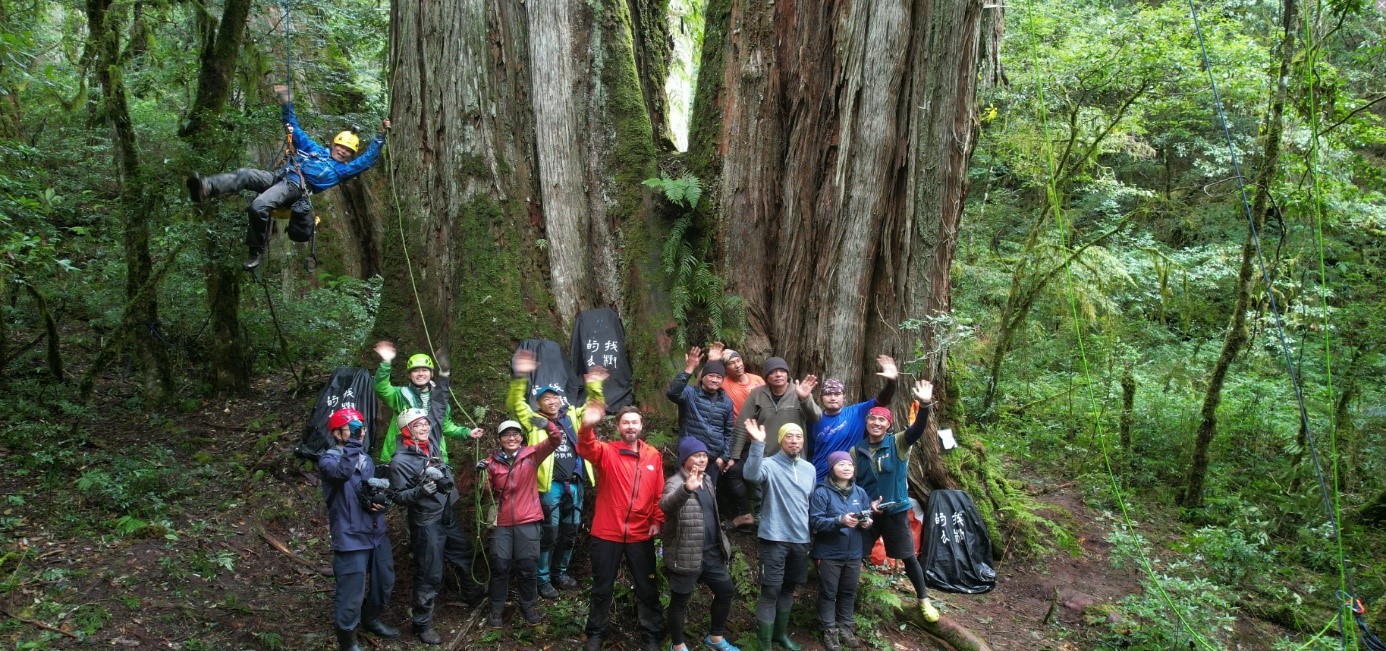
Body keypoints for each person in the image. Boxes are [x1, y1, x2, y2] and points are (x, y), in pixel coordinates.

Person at [186, 85, 390, 270]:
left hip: (295, 189)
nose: (343, 151)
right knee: (245, 174)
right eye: (341, 146)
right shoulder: (315, 150)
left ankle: (255, 252)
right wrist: (287, 101)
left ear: (350, 155)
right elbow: (293, 127)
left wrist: (380, 136)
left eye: (348, 151)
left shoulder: (341, 170)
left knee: (258, 205)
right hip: (279, 177)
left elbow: (367, 161)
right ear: (333, 144)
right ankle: (206, 187)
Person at [507, 349, 606, 598]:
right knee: (549, 533)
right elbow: (515, 404)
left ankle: (560, 572)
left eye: (554, 397)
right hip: (550, 484)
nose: (552, 401)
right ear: (538, 404)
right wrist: (520, 376)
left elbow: (594, 407)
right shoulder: (534, 420)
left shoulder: (572, 416)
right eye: (545, 399)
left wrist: (595, 386)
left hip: (575, 482)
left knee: (570, 531)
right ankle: (542, 579)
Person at [576, 402, 665, 651]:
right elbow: (586, 447)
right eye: (625, 422)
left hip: (641, 533)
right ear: (618, 427)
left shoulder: (653, 456)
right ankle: (595, 634)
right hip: (607, 532)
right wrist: (587, 426)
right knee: (602, 587)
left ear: (641, 425)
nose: (630, 426)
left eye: (634, 422)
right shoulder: (607, 451)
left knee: (647, 587)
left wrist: (657, 520)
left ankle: (651, 635)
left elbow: (658, 492)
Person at [388, 408, 482, 644]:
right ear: (407, 429)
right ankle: (422, 624)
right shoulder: (400, 462)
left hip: (446, 511)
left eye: (425, 424)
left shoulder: (431, 446)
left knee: (463, 553)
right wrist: (419, 492)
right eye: (418, 425)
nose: (424, 428)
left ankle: (472, 594)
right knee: (430, 572)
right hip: (425, 521)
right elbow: (397, 497)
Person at [854, 380, 940, 623]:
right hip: (868, 513)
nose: (876, 423)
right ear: (866, 422)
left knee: (908, 556)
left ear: (888, 425)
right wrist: (865, 506)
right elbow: (854, 485)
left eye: (881, 420)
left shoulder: (898, 443)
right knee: (855, 554)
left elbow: (917, 430)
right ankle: (853, 595)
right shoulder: (856, 450)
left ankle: (923, 600)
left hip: (895, 511)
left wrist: (925, 405)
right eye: (872, 419)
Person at [318, 408, 398, 651]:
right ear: (336, 433)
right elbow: (342, 473)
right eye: (352, 429)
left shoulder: (366, 460)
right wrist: (353, 444)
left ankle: (371, 619)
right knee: (351, 592)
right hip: (350, 536)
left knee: (384, 581)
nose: (360, 433)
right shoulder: (328, 460)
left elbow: (367, 492)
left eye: (361, 429)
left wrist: (378, 502)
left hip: (375, 533)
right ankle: (347, 640)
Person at [474, 419, 561, 628]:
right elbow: (486, 493)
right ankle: (496, 610)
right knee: (499, 565)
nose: (511, 438)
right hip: (502, 522)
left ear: (521, 437)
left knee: (527, 566)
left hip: (528, 519)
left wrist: (547, 424)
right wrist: (481, 474)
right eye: (506, 435)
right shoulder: (491, 462)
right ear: (499, 439)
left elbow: (556, 440)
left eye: (515, 434)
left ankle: (528, 607)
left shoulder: (532, 454)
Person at [659, 438, 741, 651]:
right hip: (686, 554)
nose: (702, 459)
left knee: (725, 591)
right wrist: (686, 489)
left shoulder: (708, 480)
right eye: (696, 455)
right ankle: (677, 646)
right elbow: (665, 506)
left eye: (704, 455)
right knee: (680, 602)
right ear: (685, 459)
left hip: (711, 553)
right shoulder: (675, 483)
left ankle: (715, 637)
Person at [742, 419, 817, 651]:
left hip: (801, 539)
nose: (794, 441)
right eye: (789, 436)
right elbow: (750, 475)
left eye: (798, 436)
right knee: (771, 591)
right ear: (781, 440)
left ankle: (780, 635)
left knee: (788, 589)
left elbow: (808, 502)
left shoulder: (809, 469)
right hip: (774, 538)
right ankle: (764, 645)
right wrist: (757, 444)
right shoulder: (769, 464)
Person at [726, 357, 819, 529]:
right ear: (766, 377)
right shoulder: (757, 394)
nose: (778, 375)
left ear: (787, 373)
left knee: (795, 495)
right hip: (767, 456)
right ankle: (765, 531)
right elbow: (742, 425)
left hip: (794, 457)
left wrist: (805, 399)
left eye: (781, 371)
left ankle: (795, 530)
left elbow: (815, 417)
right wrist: (734, 456)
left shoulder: (799, 391)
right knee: (764, 497)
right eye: (772, 372)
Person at [372, 341, 482, 464]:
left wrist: (467, 432)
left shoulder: (439, 399)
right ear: (409, 375)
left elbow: (445, 426)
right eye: (416, 371)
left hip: (433, 455)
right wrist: (386, 362)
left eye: (424, 370)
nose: (420, 374)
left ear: (431, 373)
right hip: (402, 455)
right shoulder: (400, 395)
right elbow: (380, 388)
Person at [810, 451, 877, 651]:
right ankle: (829, 630)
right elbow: (815, 521)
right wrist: (839, 521)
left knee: (848, 591)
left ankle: (845, 627)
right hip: (829, 552)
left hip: (853, 553)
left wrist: (866, 522)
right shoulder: (821, 492)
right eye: (841, 464)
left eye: (849, 465)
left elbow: (866, 515)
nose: (847, 468)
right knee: (829, 593)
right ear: (832, 468)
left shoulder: (860, 492)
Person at [810, 355, 899, 482]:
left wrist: (891, 383)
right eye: (828, 394)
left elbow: (882, 401)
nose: (833, 398)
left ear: (844, 397)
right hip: (820, 478)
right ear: (821, 397)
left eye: (837, 394)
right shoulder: (814, 418)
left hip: (849, 477)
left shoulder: (857, 412)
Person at [666, 345, 736, 489]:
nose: (715, 380)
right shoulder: (690, 394)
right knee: (685, 492)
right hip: (690, 456)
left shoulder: (726, 402)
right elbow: (672, 393)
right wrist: (690, 368)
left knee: (708, 494)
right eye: (711, 376)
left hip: (713, 460)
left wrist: (724, 457)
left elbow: (729, 432)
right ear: (703, 377)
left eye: (719, 377)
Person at [706, 343, 763, 416]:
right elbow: (702, 388)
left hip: (760, 421)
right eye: (731, 363)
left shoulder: (757, 379)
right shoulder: (722, 384)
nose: (737, 365)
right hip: (737, 422)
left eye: (738, 361)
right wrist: (710, 362)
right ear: (725, 368)